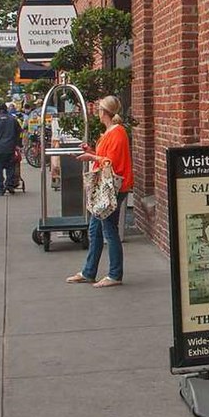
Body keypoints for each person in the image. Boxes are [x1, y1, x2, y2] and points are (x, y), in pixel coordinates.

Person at [67, 96, 131, 288]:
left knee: (109, 230)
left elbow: (109, 163)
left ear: (104, 111)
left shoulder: (117, 133)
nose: (96, 111)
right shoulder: (112, 132)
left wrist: (91, 155)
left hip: (112, 188)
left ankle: (114, 274)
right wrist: (91, 151)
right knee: (96, 229)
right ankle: (89, 272)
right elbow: (107, 157)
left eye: (99, 109)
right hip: (106, 188)